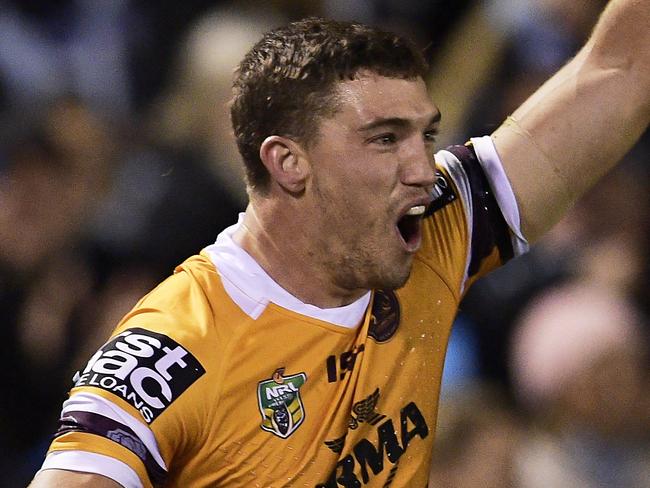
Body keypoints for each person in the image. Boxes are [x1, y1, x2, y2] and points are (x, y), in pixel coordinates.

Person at [30, 0, 649, 486]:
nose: (422, 168)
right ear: (289, 164)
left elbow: (619, 69)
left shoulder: (437, 229)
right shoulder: (172, 351)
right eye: (385, 139)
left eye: (425, 135)